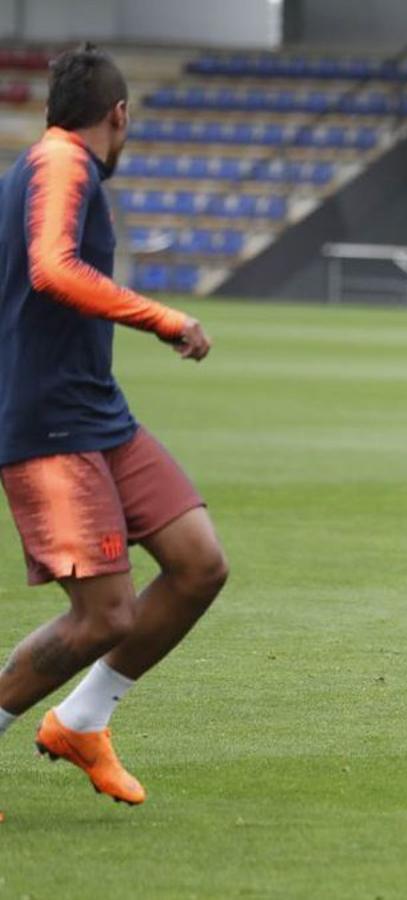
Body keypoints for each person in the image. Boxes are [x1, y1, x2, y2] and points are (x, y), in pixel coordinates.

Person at [0, 45, 228, 806]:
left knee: (197, 563)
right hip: (49, 425)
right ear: (119, 114)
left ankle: (82, 719)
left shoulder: (52, 164)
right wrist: (161, 316)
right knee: (104, 615)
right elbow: (51, 269)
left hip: (97, 412)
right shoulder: (62, 163)